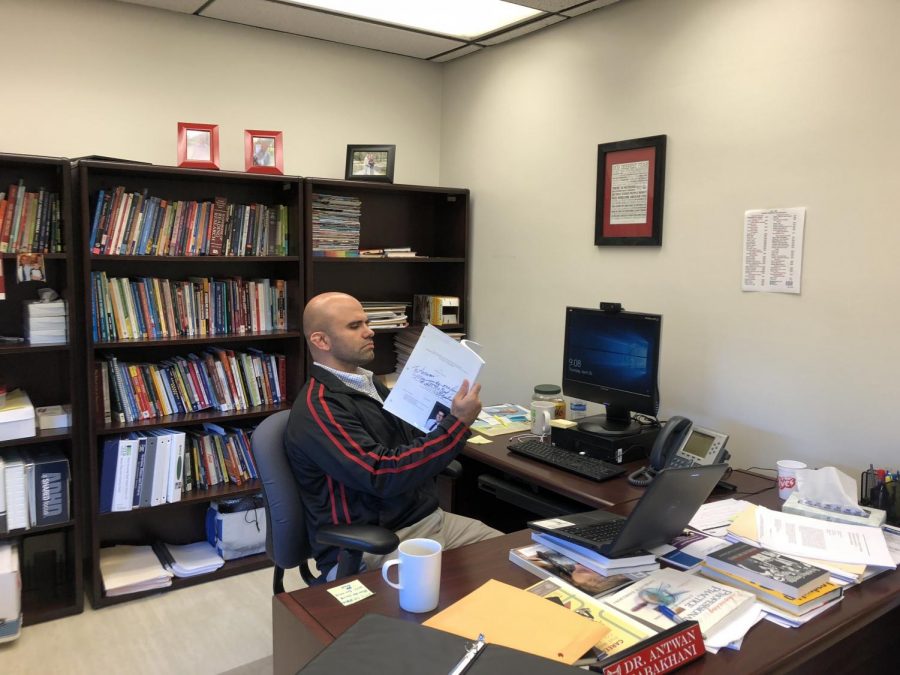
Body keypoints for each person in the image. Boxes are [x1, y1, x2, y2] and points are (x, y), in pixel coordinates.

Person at [285, 292, 500, 581]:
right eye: (354, 326)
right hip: (373, 545)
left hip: (429, 521)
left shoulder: (368, 383)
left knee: (513, 560)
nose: (369, 331)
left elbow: (410, 439)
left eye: (367, 322)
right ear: (321, 341)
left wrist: (445, 414)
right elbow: (382, 474)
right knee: (444, 608)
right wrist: (457, 424)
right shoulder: (320, 407)